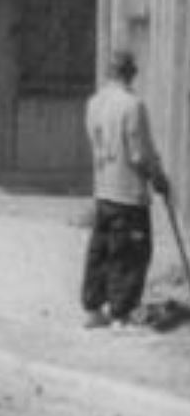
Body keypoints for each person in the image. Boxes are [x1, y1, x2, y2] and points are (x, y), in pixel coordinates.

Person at [81, 50, 172, 329]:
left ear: (110, 73)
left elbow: (94, 141)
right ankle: (121, 314)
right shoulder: (132, 105)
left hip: (104, 189)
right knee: (130, 254)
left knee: (102, 250)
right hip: (129, 194)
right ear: (130, 73)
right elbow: (138, 154)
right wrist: (158, 178)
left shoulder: (95, 103)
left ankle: (94, 309)